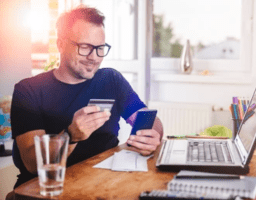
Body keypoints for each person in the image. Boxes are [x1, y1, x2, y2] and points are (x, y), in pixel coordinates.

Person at [11, 6, 163, 189]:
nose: (94, 57)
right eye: (85, 47)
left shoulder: (111, 80)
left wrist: (152, 136)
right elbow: (32, 162)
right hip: (47, 190)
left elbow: (148, 119)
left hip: (103, 184)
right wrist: (71, 135)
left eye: (100, 48)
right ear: (60, 44)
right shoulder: (28, 90)